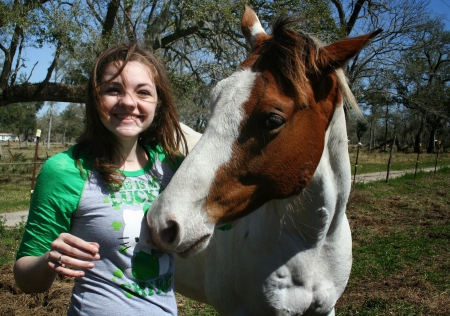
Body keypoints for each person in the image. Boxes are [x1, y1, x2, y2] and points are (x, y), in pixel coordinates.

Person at [14, 43, 187, 315]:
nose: (128, 102)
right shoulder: (64, 170)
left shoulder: (174, 167)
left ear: (158, 102)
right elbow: (25, 280)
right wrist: (50, 260)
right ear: (95, 99)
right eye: (113, 89)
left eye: (143, 92)